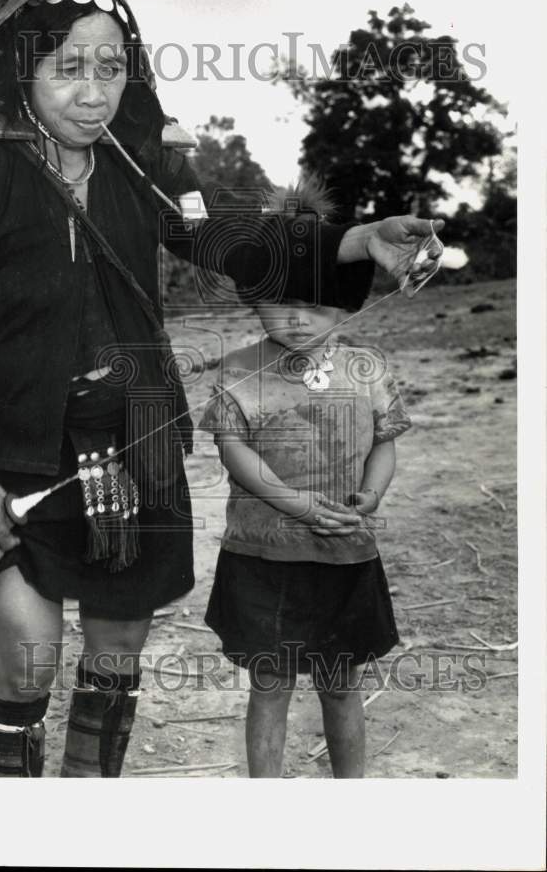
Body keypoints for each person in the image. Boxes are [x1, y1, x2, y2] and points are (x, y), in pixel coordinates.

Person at [0, 0, 441, 778]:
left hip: (135, 443)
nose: (94, 92)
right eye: (68, 68)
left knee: (117, 646)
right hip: (18, 455)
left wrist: (357, 240)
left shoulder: (140, 165)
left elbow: (230, 236)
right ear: (21, 69)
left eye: (111, 68)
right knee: (30, 650)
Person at [199, 274, 412, 778]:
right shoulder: (237, 371)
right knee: (270, 684)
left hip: (344, 551)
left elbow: (385, 440)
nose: (297, 319)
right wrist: (293, 503)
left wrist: (371, 495)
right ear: (256, 303)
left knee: (341, 683)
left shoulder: (367, 368)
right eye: (282, 304)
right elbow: (233, 450)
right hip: (262, 556)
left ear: (345, 308)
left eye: (316, 306)